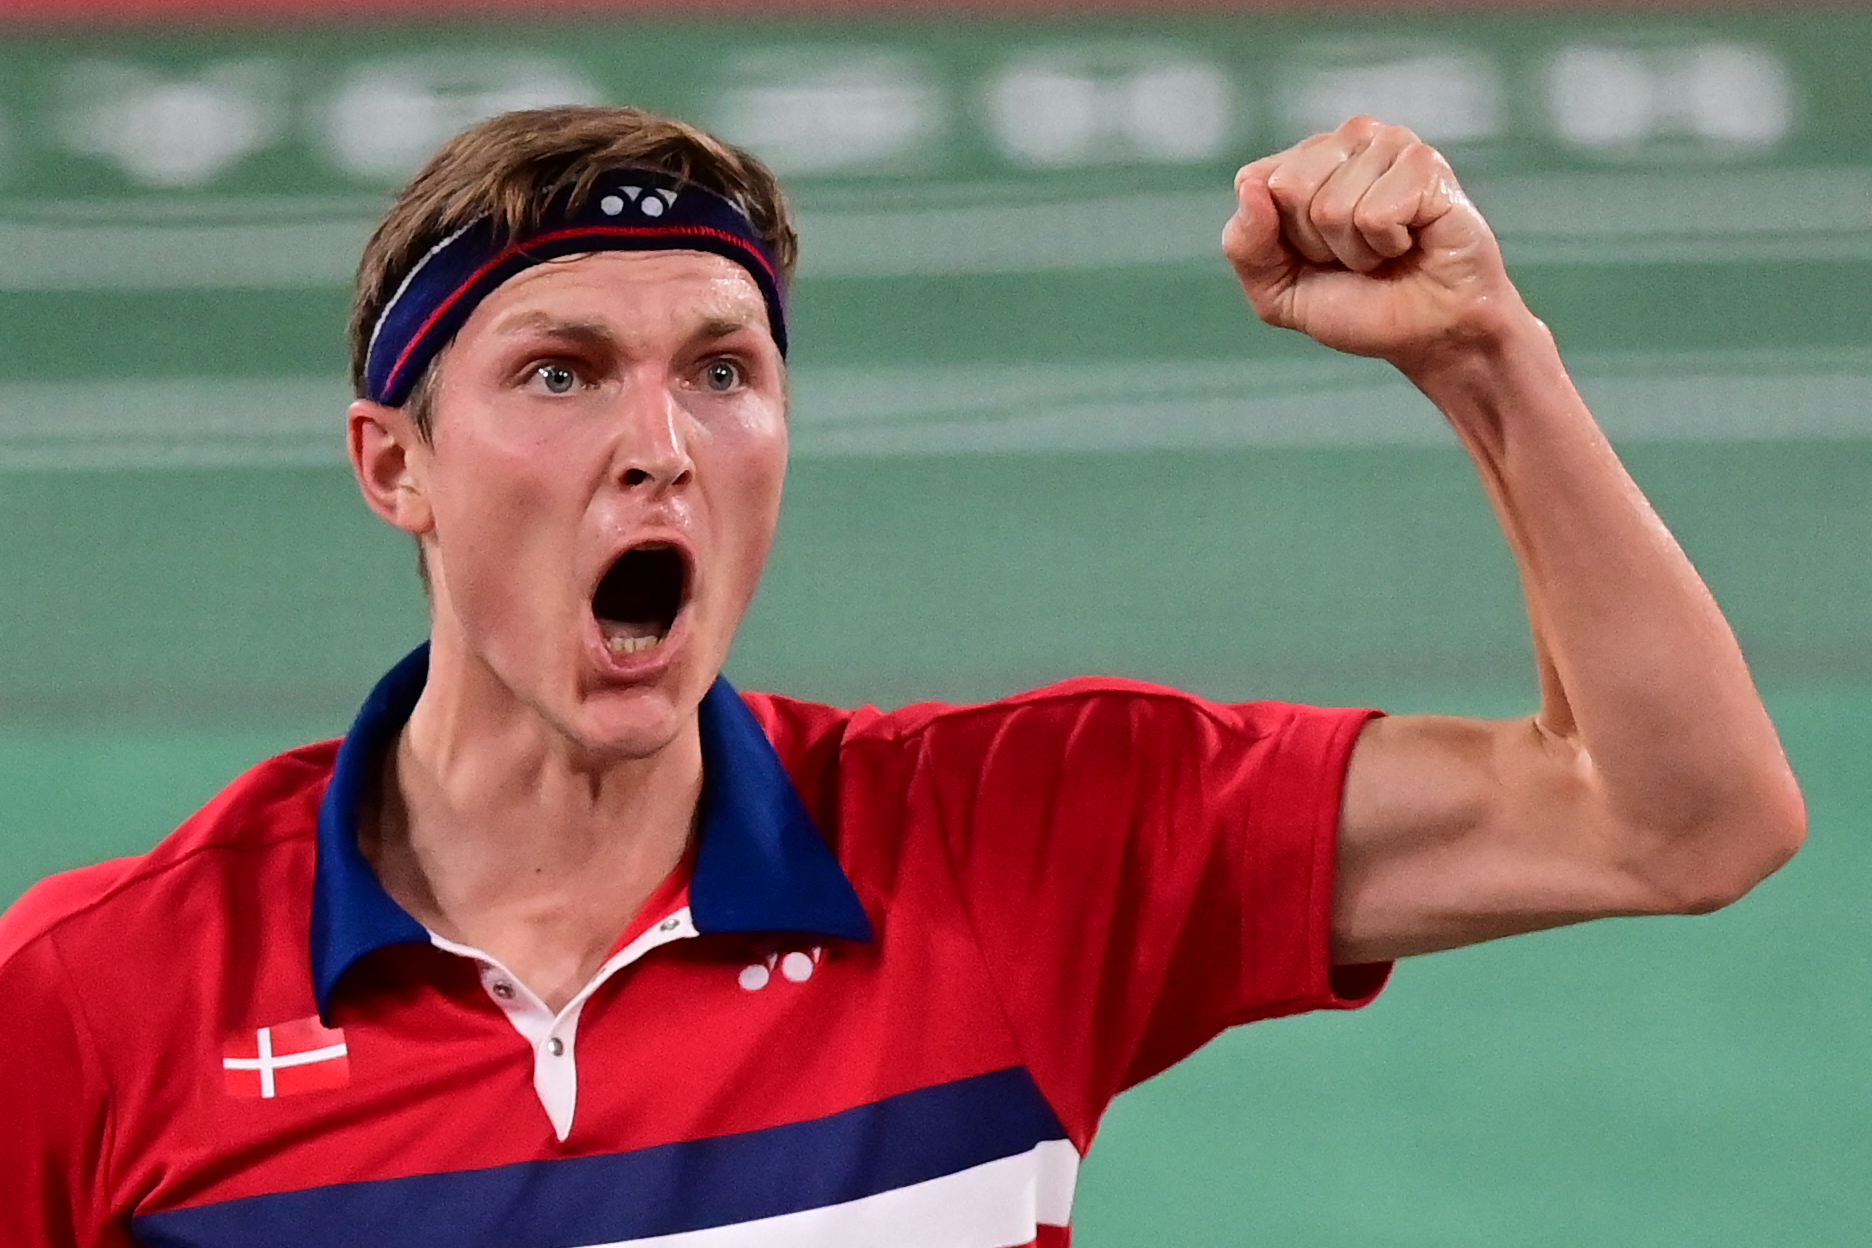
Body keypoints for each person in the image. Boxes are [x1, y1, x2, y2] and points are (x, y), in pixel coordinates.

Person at [0, 105, 1803, 1247]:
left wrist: (1485, 357)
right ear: (396, 465)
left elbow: (1680, 818)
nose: (661, 446)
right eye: (561, 372)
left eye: (723, 370)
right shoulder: (99, 998)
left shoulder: (1018, 845)